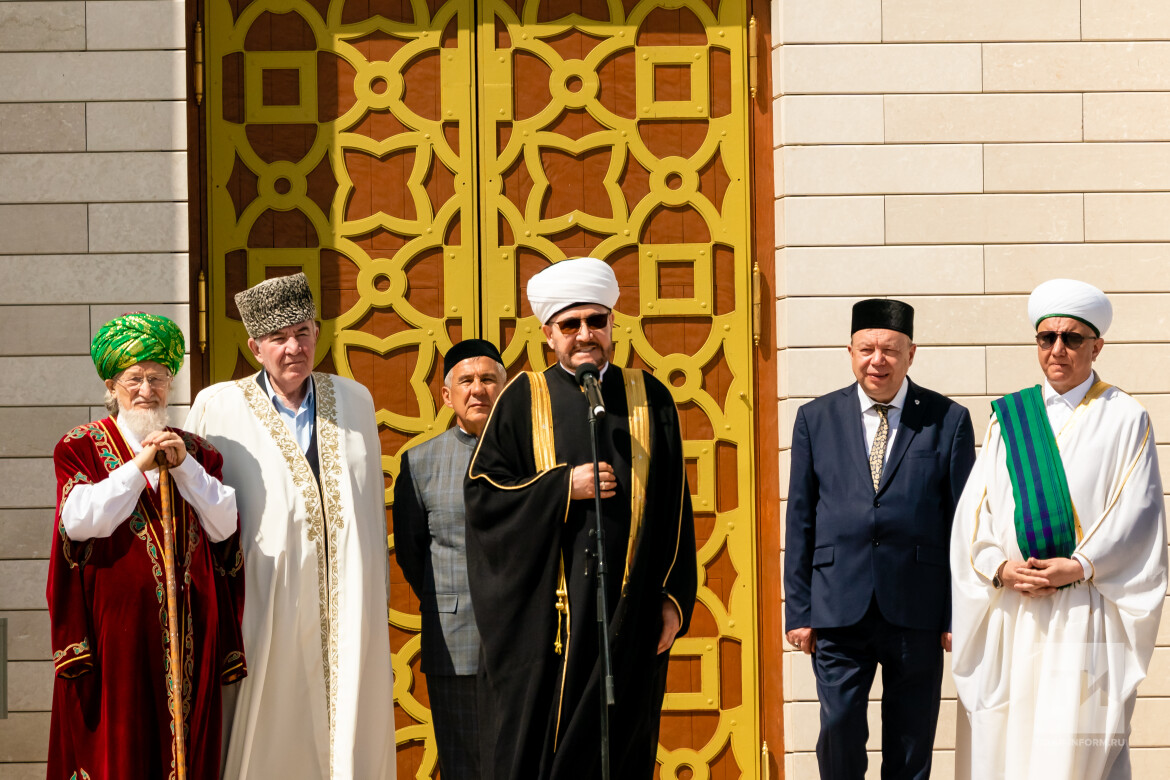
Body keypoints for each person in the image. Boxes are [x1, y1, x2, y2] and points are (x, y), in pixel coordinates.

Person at [464, 257, 697, 780]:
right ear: (549, 334)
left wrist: (673, 598)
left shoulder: (650, 396)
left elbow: (674, 509)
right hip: (551, 626)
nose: (585, 335)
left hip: (631, 614)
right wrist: (561, 488)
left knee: (625, 747)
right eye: (570, 325)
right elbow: (484, 496)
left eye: (596, 321)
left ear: (614, 324)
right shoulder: (521, 397)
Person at [951, 279, 1167, 779]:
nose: (1057, 350)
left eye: (1072, 338)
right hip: (1014, 610)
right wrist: (999, 568)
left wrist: (1079, 566)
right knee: (1010, 742)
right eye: (1047, 338)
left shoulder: (1125, 418)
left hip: (1083, 609)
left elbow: (1138, 515)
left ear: (1097, 346)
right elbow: (976, 514)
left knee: (1076, 743)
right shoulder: (1009, 418)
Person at [185, 272, 395, 780]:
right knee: (268, 722)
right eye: (278, 338)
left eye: (302, 333)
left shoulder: (355, 399)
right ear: (255, 347)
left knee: (351, 719)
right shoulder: (218, 406)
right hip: (264, 598)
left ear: (318, 333)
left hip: (349, 596)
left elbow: (368, 506)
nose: (293, 348)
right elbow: (194, 506)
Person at [784, 298, 976, 780]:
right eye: (866, 349)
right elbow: (801, 517)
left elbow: (965, 523)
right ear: (849, 352)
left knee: (911, 739)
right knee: (840, 729)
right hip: (837, 606)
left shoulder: (948, 419)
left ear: (911, 353)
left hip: (917, 607)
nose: (878, 360)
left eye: (889, 349)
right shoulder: (815, 418)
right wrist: (799, 610)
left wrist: (957, 613)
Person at [47, 313, 245, 779]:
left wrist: (183, 467)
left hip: (190, 629)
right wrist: (140, 466)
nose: (146, 390)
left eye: (157, 378)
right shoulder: (80, 446)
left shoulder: (199, 452)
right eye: (134, 379)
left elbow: (224, 524)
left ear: (170, 384)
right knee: (124, 746)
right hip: (117, 636)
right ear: (111, 386)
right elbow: (80, 521)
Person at [394, 338, 506, 779]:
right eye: (466, 380)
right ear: (446, 394)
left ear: (505, 387)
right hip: (454, 638)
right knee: (464, 767)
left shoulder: (536, 453)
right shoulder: (420, 464)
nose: (478, 389)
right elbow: (412, 553)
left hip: (528, 640)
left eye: (488, 379)